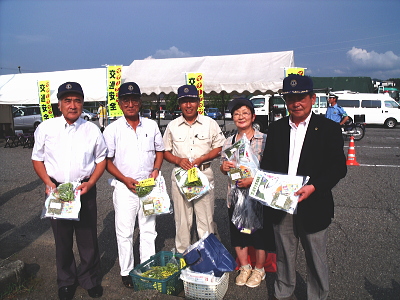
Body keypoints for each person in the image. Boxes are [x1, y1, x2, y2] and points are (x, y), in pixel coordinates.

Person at [260, 74, 347, 300]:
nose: (295, 103)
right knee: (284, 256)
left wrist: (314, 186)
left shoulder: (328, 129)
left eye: (300, 97)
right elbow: (267, 164)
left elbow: (338, 168)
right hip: (282, 204)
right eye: (290, 98)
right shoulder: (277, 128)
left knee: (316, 257)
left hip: (314, 202)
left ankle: (317, 295)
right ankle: (283, 292)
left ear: (312, 98)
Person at [31, 82, 107, 300]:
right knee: (62, 240)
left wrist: (91, 183)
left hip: (84, 190)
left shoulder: (91, 129)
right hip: (57, 191)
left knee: (88, 239)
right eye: (68, 100)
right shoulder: (46, 128)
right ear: (59, 104)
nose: (73, 105)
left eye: (77, 101)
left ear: (82, 103)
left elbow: (101, 159)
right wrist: (47, 182)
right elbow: (37, 158)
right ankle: (65, 281)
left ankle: (89, 279)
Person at [103, 82, 164, 288]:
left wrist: (156, 170)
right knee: (125, 231)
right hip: (124, 187)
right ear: (120, 103)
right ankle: (127, 271)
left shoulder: (152, 125)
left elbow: (160, 151)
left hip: (148, 187)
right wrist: (124, 178)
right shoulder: (112, 130)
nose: (130, 104)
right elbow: (107, 162)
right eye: (126, 100)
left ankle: (147, 265)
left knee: (148, 229)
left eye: (134, 100)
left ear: (140, 102)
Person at [163, 84, 226, 254]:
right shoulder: (173, 126)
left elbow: (219, 147)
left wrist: (203, 158)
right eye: (184, 102)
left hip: (203, 173)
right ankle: (183, 256)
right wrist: (178, 159)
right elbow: (165, 151)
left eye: (192, 101)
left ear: (198, 102)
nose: (188, 105)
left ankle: (207, 256)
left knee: (205, 219)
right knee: (182, 220)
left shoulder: (210, 123)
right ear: (179, 104)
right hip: (180, 176)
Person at [220, 98, 275, 288]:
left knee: (260, 234)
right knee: (238, 233)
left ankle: (259, 269)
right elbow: (223, 167)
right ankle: (244, 266)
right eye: (236, 114)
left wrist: (253, 180)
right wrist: (224, 167)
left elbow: (272, 170)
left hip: (258, 196)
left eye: (245, 113)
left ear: (253, 116)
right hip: (235, 196)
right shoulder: (229, 141)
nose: (240, 117)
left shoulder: (265, 139)